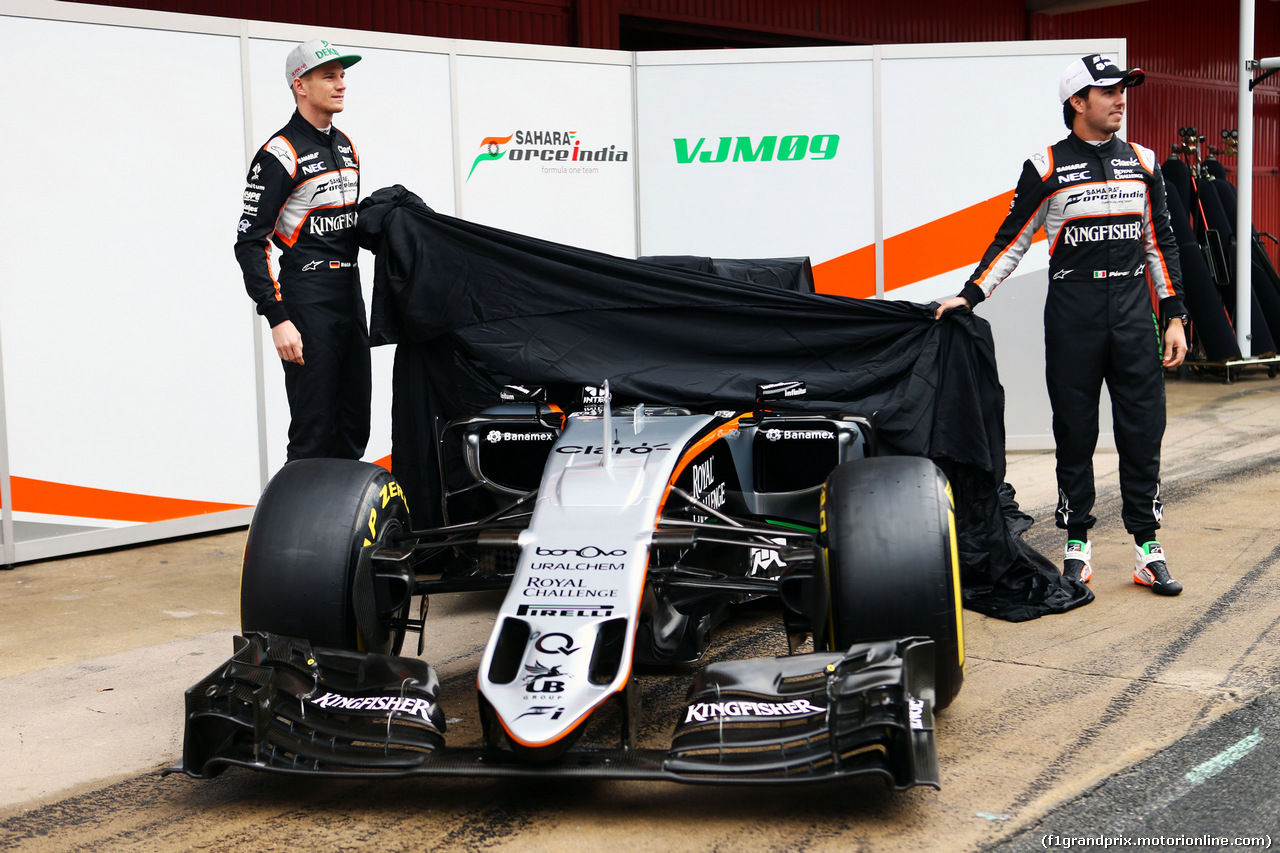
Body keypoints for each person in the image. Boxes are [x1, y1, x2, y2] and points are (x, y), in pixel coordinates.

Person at [934, 54, 1188, 596]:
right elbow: (1012, 238)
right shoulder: (1045, 164)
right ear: (1077, 101)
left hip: (1130, 309)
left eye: (1124, 90)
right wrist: (971, 295)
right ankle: (1077, 544)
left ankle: (1149, 548)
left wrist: (1173, 315)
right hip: (1072, 311)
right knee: (1075, 431)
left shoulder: (1143, 161)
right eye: (1108, 91)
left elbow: (1159, 244)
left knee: (1143, 432)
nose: (1121, 99)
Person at [235, 38, 370, 461]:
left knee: (353, 423)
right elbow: (248, 243)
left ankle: (342, 526)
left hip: (349, 293)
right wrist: (278, 318)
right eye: (328, 76)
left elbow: (344, 226)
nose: (341, 84)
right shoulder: (279, 153)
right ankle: (298, 526)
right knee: (314, 429)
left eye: (343, 75)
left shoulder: (345, 143)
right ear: (300, 85)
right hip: (307, 298)